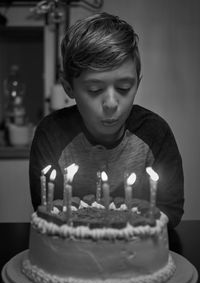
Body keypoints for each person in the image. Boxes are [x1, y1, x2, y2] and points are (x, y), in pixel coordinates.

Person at [29, 12, 184, 228]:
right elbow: (47, 211)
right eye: (94, 89)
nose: (111, 103)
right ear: (68, 88)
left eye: (124, 88)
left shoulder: (155, 133)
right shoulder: (52, 134)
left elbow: (171, 209)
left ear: (137, 84)